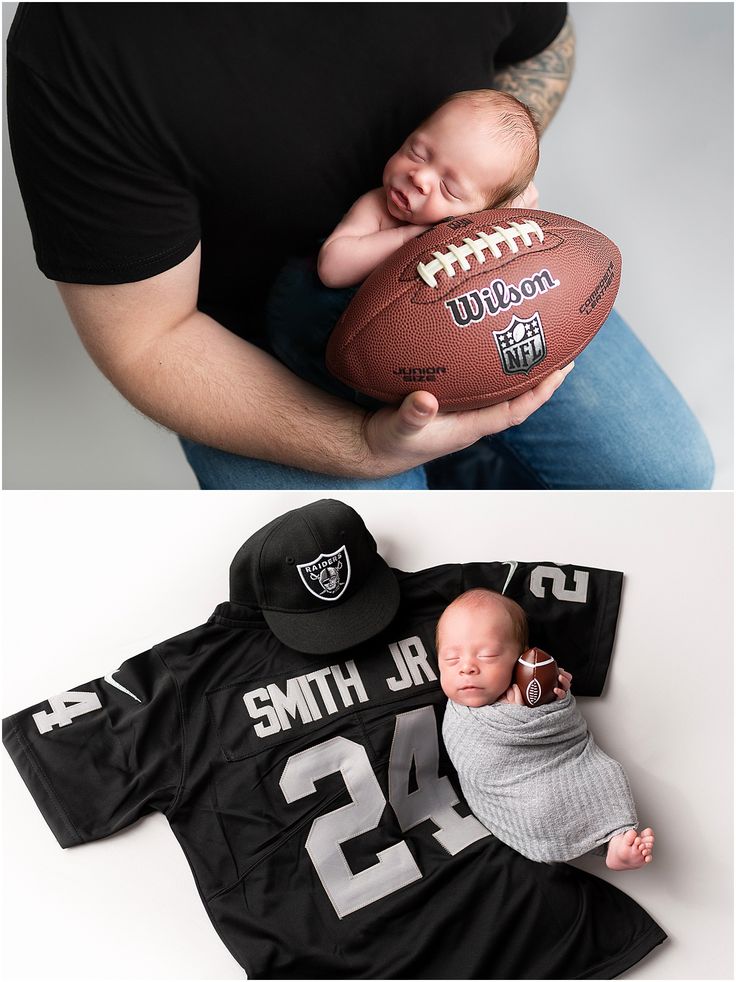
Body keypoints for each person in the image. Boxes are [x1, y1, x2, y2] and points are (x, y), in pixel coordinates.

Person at [7, 5, 713, 489]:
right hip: (265, 343)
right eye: (417, 155)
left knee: (668, 473)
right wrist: (365, 448)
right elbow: (147, 339)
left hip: (482, 275)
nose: (415, 176)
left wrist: (483, 204)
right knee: (375, 561)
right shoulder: (78, 43)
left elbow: (542, 46)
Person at [437, 588, 656, 868]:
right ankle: (581, 840)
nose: (466, 667)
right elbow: (479, 763)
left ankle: (616, 841)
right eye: (451, 659)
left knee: (606, 771)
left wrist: (553, 700)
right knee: (539, 806)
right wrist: (511, 717)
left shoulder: (532, 689)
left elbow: (569, 732)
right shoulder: (461, 717)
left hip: (564, 760)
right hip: (519, 790)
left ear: (520, 660)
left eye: (488, 655)